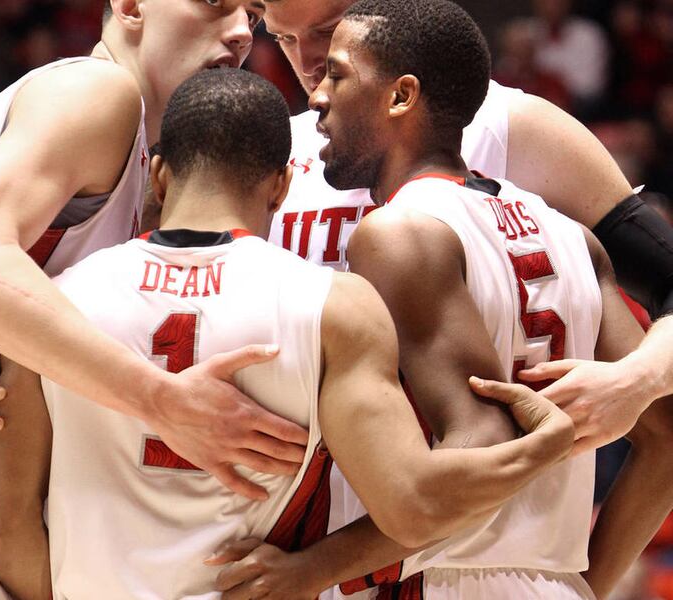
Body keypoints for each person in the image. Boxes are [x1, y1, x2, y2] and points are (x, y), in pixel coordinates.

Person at [0, 67, 575, 600]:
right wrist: (542, 446)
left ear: (158, 177)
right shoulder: (331, 304)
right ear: (283, 186)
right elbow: (413, 508)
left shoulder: (56, 301)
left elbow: (0, 528)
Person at [211, 1, 673, 598]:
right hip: (538, 575)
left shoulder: (404, 227)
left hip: (421, 571)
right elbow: (665, 436)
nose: (314, 81)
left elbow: (480, 451)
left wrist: (316, 568)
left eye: (334, 62)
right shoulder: (569, 234)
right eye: (283, 40)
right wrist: (581, 583)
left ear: (402, 94)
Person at [0, 2, 310, 599]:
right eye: (213, 2)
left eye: (253, 13)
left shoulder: (117, 134)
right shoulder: (97, 91)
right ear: (130, 5)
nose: (240, 32)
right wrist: (163, 402)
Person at [259, 0, 673, 455]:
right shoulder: (274, 148)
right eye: (283, 38)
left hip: (452, 502)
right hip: (324, 503)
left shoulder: (512, 124)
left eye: (326, 31)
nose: (307, 63)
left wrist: (638, 380)